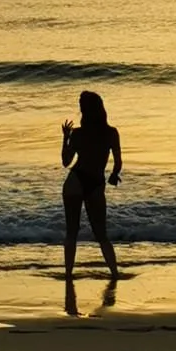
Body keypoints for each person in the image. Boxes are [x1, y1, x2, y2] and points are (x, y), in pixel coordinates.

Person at [61, 90, 122, 315]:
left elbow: (66, 161)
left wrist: (65, 138)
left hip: (75, 180)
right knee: (101, 233)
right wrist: (114, 175)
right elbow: (118, 162)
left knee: (72, 232)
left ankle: (69, 275)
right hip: (95, 182)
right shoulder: (111, 133)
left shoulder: (78, 134)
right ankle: (114, 273)